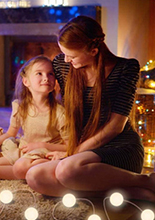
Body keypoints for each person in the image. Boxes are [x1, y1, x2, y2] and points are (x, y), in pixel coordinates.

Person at [25, 15, 155, 202]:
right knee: (35, 177)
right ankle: (132, 193)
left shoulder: (126, 68)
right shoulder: (62, 65)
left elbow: (115, 127)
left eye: (72, 55)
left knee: (67, 171)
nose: (66, 59)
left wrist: (72, 153)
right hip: (82, 153)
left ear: (93, 50)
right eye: (64, 53)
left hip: (119, 148)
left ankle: (144, 180)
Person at [0, 55, 68, 180]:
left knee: (21, 166)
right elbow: (11, 133)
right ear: (26, 81)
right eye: (39, 73)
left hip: (45, 153)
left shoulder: (59, 113)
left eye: (50, 74)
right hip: (25, 150)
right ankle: (32, 174)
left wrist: (41, 145)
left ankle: (34, 171)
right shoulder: (20, 106)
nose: (46, 78)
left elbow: (69, 146)